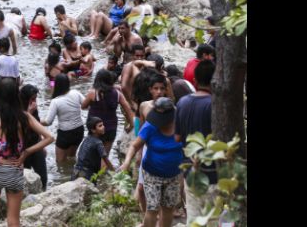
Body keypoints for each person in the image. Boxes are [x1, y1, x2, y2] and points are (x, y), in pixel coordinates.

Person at [0, 77, 54, 227]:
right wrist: (26, 153)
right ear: (16, 95)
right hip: (15, 170)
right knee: (13, 220)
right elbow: (50, 137)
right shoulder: (24, 117)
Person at [120, 97, 184, 227]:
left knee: (168, 208)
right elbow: (134, 146)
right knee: (152, 208)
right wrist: (126, 162)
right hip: (152, 174)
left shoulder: (181, 125)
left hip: (174, 175)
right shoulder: (150, 126)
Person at [175, 60, 216, 223]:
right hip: (213, 173)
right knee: (215, 219)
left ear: (195, 81)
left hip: (190, 171)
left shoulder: (182, 103)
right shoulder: (215, 105)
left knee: (193, 219)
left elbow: (177, 137)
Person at [82, 69, 134, 155]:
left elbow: (83, 106)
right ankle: (104, 168)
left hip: (95, 128)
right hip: (111, 128)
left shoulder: (93, 93)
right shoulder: (117, 94)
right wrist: (131, 125)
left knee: (93, 154)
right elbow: (128, 109)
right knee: (105, 155)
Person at [42, 73, 85, 163]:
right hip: (79, 130)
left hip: (65, 134)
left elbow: (48, 122)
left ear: (57, 85)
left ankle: (63, 176)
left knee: (60, 162)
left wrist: (36, 121)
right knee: (72, 158)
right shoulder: (76, 93)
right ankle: (73, 174)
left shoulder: (56, 101)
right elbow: (86, 105)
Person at [19, 84, 48, 190]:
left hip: (36, 145)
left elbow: (37, 126)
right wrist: (29, 112)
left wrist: (42, 144)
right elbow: (20, 129)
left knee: (43, 177)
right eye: (32, 99)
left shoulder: (34, 108)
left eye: (36, 98)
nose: (34, 102)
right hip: (22, 148)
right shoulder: (17, 108)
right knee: (25, 179)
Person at [72, 116, 114, 183]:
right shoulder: (98, 143)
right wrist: (114, 172)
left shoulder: (86, 139)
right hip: (87, 175)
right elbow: (106, 159)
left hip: (76, 171)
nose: (103, 127)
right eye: (100, 126)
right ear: (93, 130)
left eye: (103, 125)